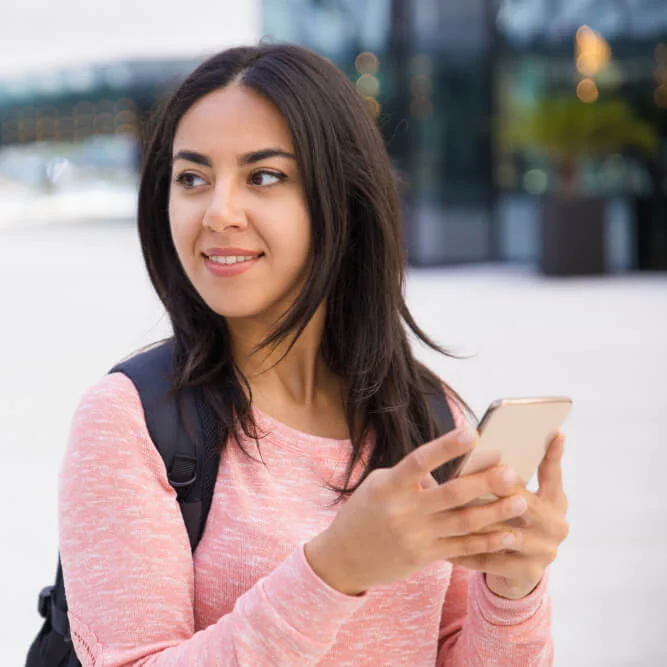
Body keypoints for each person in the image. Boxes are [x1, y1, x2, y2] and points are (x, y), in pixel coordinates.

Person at [58, 43, 569, 666]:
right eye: (192, 178)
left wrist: (513, 588)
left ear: (343, 201)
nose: (218, 212)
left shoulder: (428, 417)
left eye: (263, 176)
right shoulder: (130, 421)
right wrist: (333, 570)